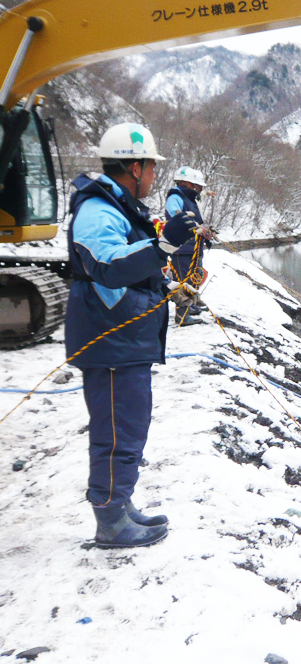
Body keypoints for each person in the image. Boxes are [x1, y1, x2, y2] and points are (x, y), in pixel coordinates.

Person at [65, 122, 202, 549]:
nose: (155, 177)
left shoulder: (119, 205)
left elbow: (130, 264)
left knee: (130, 425)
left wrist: (160, 277)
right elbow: (106, 265)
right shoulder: (98, 209)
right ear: (137, 166)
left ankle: (120, 504)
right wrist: (163, 247)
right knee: (116, 430)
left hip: (123, 339)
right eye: (152, 169)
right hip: (109, 340)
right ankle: (109, 519)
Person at [164, 166, 212, 326]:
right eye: (197, 186)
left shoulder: (187, 197)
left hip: (193, 246)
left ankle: (190, 306)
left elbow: (192, 205)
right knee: (184, 280)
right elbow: (175, 214)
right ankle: (182, 315)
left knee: (194, 277)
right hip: (182, 247)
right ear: (186, 183)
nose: (199, 189)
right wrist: (193, 225)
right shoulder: (175, 197)